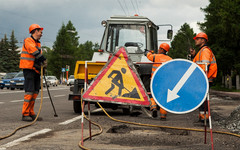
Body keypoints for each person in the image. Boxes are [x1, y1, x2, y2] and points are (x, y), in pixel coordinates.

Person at [19, 24, 47, 121]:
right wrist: (42, 59)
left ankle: (31, 112)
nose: (41, 34)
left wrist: (42, 66)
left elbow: (37, 57)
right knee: (29, 91)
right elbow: (33, 51)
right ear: (35, 31)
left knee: (35, 92)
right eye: (40, 32)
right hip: (28, 69)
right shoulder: (28, 41)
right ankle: (25, 113)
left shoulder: (38, 43)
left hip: (35, 70)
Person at [190, 32, 217, 122]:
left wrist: (200, 79)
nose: (195, 41)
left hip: (204, 78)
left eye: (197, 39)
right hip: (203, 78)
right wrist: (193, 55)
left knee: (203, 99)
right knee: (201, 98)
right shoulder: (201, 51)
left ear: (203, 40)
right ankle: (203, 118)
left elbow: (205, 66)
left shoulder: (205, 51)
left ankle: (204, 119)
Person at [145, 43, 172, 120]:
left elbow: (149, 56)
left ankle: (153, 108)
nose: (158, 50)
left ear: (162, 49)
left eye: (159, 48)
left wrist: (147, 52)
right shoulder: (170, 59)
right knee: (164, 97)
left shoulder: (156, 56)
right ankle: (163, 115)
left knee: (152, 95)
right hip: (164, 82)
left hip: (154, 80)